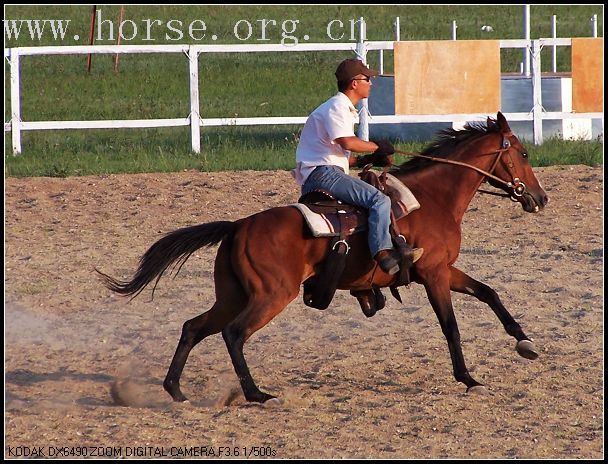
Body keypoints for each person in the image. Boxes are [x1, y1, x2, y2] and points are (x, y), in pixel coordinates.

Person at [293, 58, 423, 275]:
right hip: (323, 175)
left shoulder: (340, 108)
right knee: (379, 200)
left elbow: (339, 155)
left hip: (324, 171)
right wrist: (376, 147)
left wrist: (363, 161)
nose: (371, 83)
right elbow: (348, 142)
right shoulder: (337, 107)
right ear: (354, 83)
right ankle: (382, 253)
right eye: (367, 79)